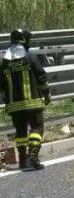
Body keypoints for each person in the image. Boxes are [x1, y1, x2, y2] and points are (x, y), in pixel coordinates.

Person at [0, 29, 51, 171]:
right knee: (37, 128)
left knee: (20, 131)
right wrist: (47, 94)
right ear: (24, 40)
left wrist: (6, 100)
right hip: (33, 102)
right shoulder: (30, 58)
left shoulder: (4, 61)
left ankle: (23, 160)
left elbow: (1, 85)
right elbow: (41, 77)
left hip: (14, 105)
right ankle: (33, 157)